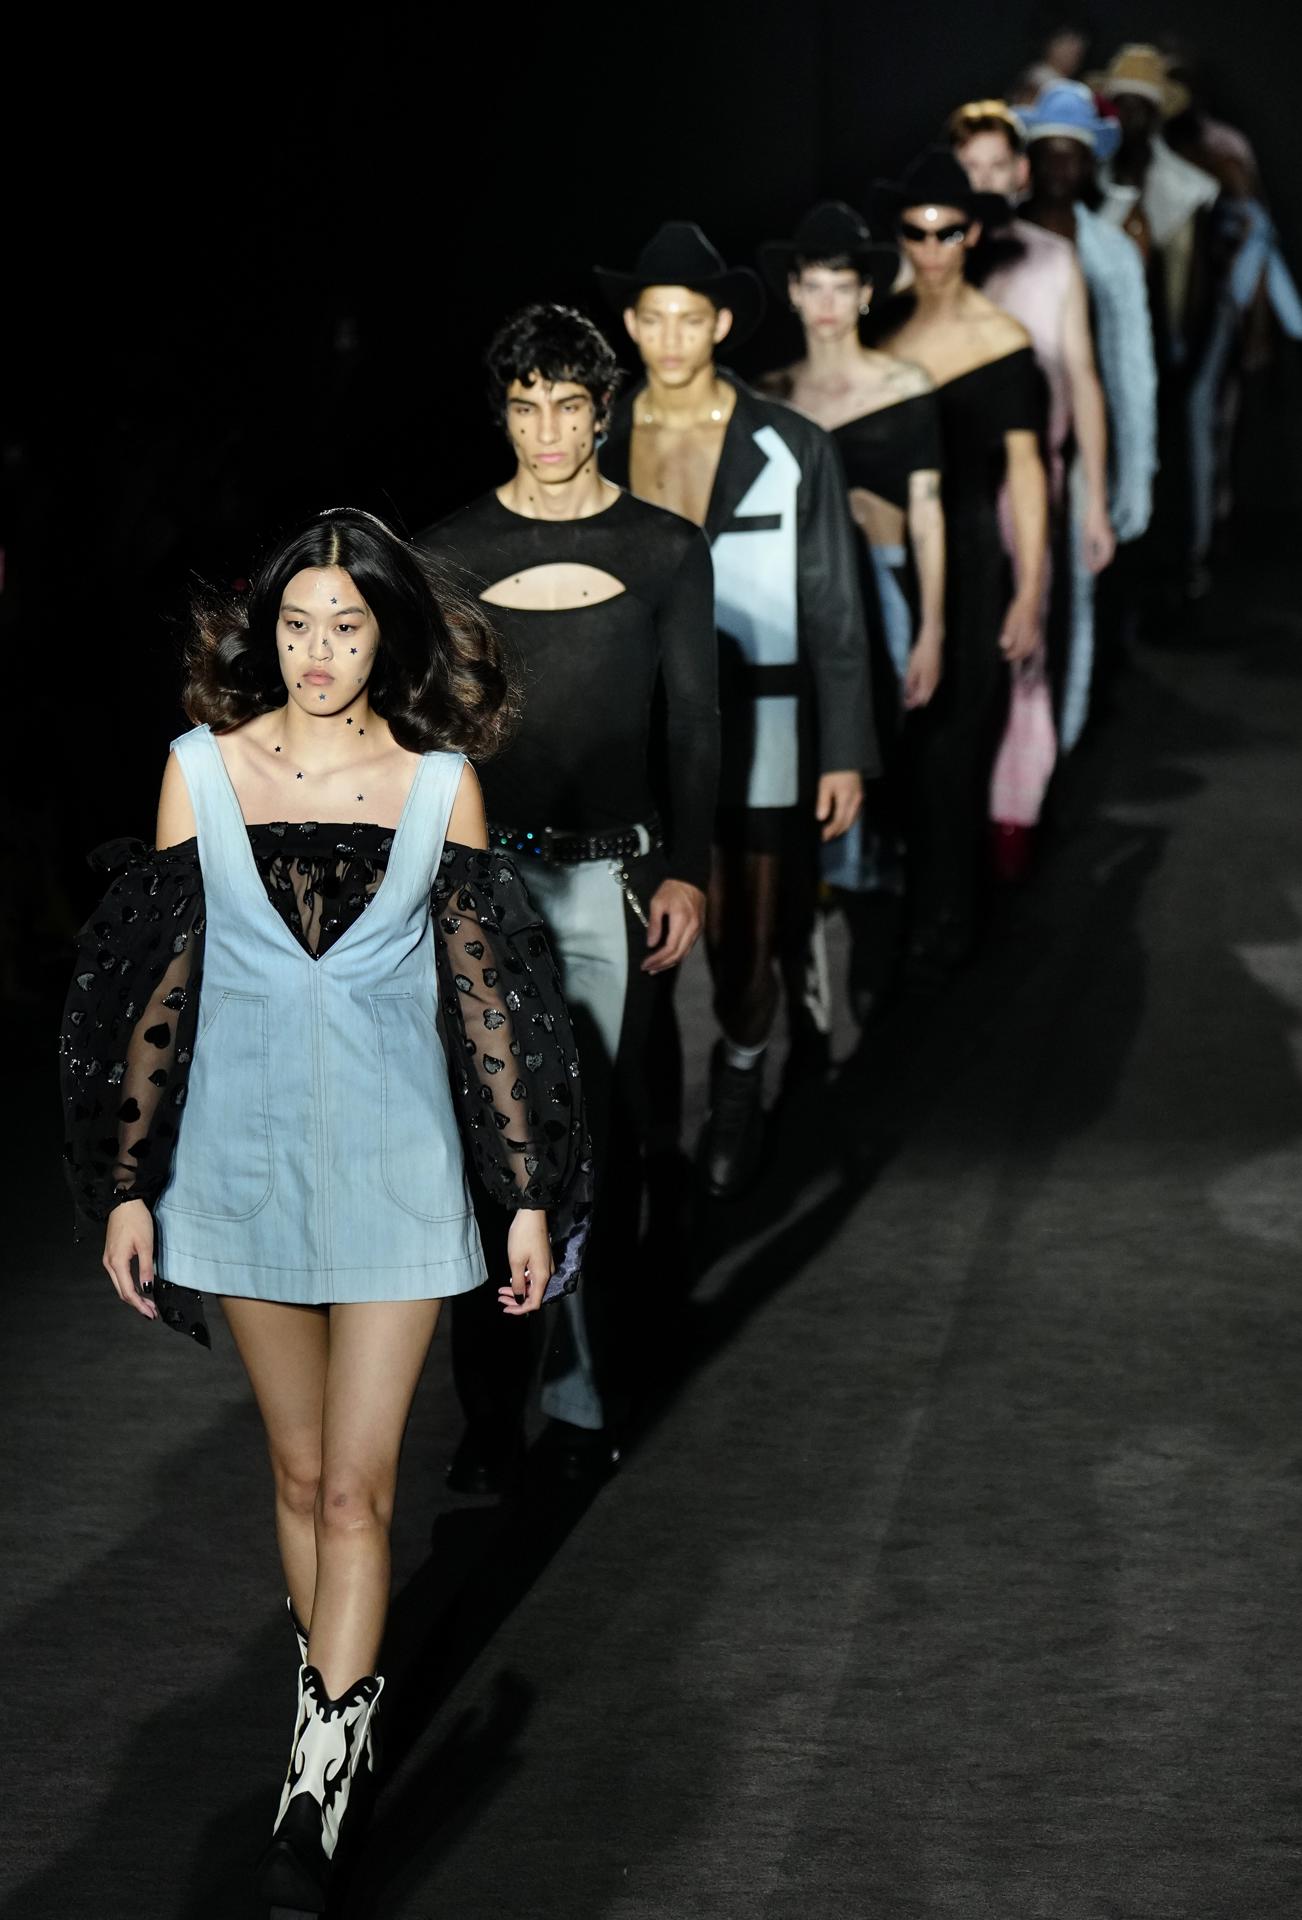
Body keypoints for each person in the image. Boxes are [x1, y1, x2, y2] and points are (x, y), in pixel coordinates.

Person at [59, 508, 592, 1911]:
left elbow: (492, 1004)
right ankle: (333, 1694)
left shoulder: (438, 787)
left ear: (388, 637)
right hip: (234, 1165)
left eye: (347, 627)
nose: (317, 651)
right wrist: (130, 1180)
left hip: (400, 1170)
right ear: (264, 632)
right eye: (296, 625)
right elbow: (154, 996)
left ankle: (317, 1778)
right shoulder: (197, 772)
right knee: (297, 1481)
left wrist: (526, 1195)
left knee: (358, 1487)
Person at [418, 304, 718, 1484]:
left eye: (569, 405)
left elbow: (694, 721)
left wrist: (688, 864)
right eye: (525, 405)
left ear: (605, 412)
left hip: (616, 875)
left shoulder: (664, 549)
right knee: (490, 1138)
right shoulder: (447, 554)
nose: (546, 428)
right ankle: (490, 1414)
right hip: (487, 884)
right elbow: (430, 733)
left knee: (605, 1130)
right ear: (503, 413)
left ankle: (592, 1388)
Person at [599, 221, 873, 1194]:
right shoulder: (596, 438)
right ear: (633, 324)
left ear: (719, 323)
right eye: (654, 320)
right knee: (643, 951)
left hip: (768, 728)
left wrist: (844, 750)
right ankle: (658, 1135)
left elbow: (837, 608)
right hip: (639, 735)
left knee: (749, 945)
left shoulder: (790, 444)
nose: (672, 339)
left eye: (690, 320)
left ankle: (742, 1079)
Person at [755, 199, 944, 1017]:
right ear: (793, 294)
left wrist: (933, 623)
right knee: (796, 765)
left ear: (866, 293)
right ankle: (805, 951)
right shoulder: (768, 393)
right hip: (791, 598)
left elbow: (928, 509)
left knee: (871, 756)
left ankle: (874, 942)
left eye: (842, 285)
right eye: (813, 285)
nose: (828, 301)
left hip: (885, 583)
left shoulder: (905, 386)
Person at [874, 148, 1049, 979]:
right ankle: (907, 912)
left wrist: (1032, 591)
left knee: (953, 745)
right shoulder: (878, 323)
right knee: (897, 748)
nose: (932, 247)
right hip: (886, 557)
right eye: (917, 232)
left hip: (974, 558)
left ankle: (949, 923)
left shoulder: (1002, 340)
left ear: (973, 234)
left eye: (948, 232)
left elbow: (1026, 471)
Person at [949, 98, 1115, 874]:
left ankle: (1011, 815)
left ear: (1018, 172)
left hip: (1030, 480)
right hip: (948, 482)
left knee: (1025, 642)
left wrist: (1096, 498)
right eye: (967, 167)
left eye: (994, 166)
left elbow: (1083, 376)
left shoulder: (1053, 260)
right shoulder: (935, 254)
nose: (983, 180)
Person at [1018, 81, 1159, 738]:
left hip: (1081, 450)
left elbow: (1132, 367)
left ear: (1089, 162)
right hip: (1008, 445)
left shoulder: (1111, 253)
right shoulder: (998, 239)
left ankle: (1061, 745)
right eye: (1048, 153)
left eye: (1072, 155)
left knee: (1074, 598)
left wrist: (1136, 471)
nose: (1059, 168)